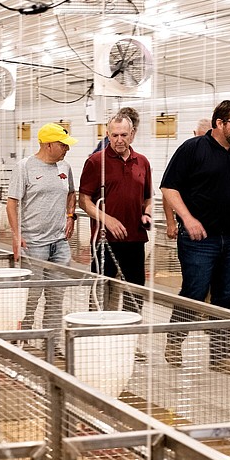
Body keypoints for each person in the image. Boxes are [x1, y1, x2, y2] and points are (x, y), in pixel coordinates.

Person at [160, 100, 230, 374]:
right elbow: (169, 188)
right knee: (195, 291)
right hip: (200, 240)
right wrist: (187, 219)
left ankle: (219, 356)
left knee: (225, 296)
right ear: (219, 123)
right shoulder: (193, 149)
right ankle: (175, 339)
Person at [7, 123, 77, 335]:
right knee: (31, 295)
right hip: (33, 243)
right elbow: (12, 203)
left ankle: (51, 342)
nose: (67, 149)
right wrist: (16, 234)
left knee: (56, 296)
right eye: (63, 145)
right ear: (49, 145)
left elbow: (71, 193)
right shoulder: (24, 167)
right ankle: (23, 338)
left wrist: (70, 215)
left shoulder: (65, 167)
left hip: (60, 242)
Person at [79, 113, 152, 312]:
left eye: (124, 135)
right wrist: (107, 220)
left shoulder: (142, 162)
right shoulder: (96, 162)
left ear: (132, 134)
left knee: (134, 293)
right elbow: (83, 200)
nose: (119, 140)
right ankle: (96, 335)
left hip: (135, 240)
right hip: (105, 240)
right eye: (115, 135)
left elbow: (148, 197)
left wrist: (147, 213)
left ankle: (129, 336)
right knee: (101, 292)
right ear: (108, 135)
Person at [165, 118, 214, 240]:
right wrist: (171, 223)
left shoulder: (219, 156)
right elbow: (168, 189)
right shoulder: (186, 154)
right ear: (194, 133)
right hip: (190, 230)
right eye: (200, 137)